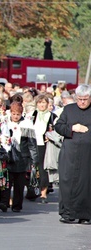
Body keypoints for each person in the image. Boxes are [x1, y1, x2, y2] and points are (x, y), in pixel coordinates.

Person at [55, 84, 91, 224]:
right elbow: (58, 126)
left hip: (88, 155)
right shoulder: (69, 109)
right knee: (67, 181)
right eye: (80, 99)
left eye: (85, 99)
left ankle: (85, 215)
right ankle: (67, 213)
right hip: (69, 153)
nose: (82, 102)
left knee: (86, 183)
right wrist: (72, 128)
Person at [1, 102, 38, 212]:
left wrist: (34, 160)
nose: (16, 116)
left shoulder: (27, 124)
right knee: (7, 182)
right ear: (10, 113)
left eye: (18, 114)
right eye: (13, 114)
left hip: (22, 157)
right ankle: (5, 202)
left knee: (19, 184)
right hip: (8, 156)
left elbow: (32, 144)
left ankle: (17, 205)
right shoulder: (5, 122)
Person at [30, 94, 57, 203]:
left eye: (44, 102)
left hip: (45, 145)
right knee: (32, 168)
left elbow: (56, 130)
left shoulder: (52, 116)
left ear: (47, 104)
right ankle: (31, 191)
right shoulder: (33, 114)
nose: (42, 105)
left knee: (43, 169)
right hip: (33, 144)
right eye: (40, 102)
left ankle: (43, 194)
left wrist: (50, 136)